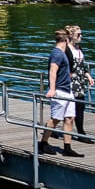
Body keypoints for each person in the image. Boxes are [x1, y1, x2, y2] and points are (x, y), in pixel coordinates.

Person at [38, 29, 84, 157]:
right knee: (56, 118)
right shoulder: (57, 53)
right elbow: (53, 71)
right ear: (66, 40)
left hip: (67, 89)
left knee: (69, 118)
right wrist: (52, 89)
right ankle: (43, 143)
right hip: (59, 90)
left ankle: (67, 147)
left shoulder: (62, 53)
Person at [65, 25, 95, 144]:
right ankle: (51, 128)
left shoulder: (79, 48)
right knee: (66, 108)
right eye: (78, 34)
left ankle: (81, 132)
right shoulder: (66, 50)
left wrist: (88, 75)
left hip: (80, 82)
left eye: (81, 34)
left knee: (80, 106)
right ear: (71, 36)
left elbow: (82, 66)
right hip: (70, 82)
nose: (81, 36)